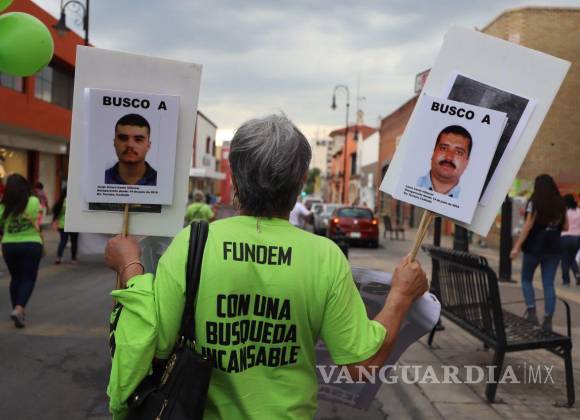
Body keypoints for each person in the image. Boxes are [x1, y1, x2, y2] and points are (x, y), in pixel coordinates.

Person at [104, 115, 428, 420]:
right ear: (300, 181)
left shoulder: (193, 243)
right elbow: (362, 364)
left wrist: (130, 265)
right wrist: (400, 296)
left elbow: (148, 345)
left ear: (234, 178)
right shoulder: (325, 257)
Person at [510, 174, 567, 331]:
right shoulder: (561, 203)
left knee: (526, 279)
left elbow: (527, 226)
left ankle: (531, 312)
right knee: (548, 284)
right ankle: (548, 319)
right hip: (554, 249)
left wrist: (516, 247)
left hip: (534, 247)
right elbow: (566, 227)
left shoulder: (534, 202)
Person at [0, 174, 43, 328]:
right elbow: (39, 217)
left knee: (16, 278)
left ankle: (17, 311)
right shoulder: (34, 201)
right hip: (31, 244)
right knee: (28, 278)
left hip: (9, 245)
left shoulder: (3, 207)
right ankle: (19, 309)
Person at [417, 125, 472, 198]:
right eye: (444, 148)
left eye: (459, 152)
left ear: (467, 162)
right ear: (433, 152)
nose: (449, 157)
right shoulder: (410, 183)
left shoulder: (468, 198)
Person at [104, 113, 157, 186]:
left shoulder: (160, 181)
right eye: (123, 138)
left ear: (148, 145)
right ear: (115, 142)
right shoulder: (101, 178)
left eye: (138, 139)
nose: (130, 145)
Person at [52, 188, 79, 264]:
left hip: (62, 224)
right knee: (74, 242)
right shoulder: (75, 201)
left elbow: (56, 213)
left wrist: (54, 222)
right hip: (74, 224)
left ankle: (58, 257)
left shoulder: (61, 201)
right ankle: (73, 259)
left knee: (63, 241)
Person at [561, 194, 580, 286]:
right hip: (577, 238)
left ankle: (566, 281)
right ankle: (578, 274)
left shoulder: (564, 212)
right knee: (572, 258)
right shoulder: (579, 211)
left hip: (565, 237)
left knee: (565, 259)